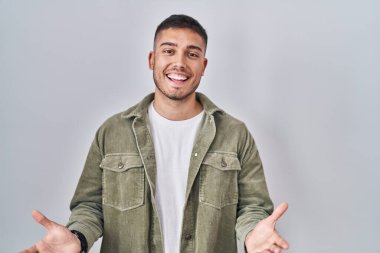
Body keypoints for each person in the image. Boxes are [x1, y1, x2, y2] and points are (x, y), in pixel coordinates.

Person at [21, 14, 289, 253]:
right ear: (152, 59)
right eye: (169, 51)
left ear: (204, 66)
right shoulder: (112, 131)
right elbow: (90, 206)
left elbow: (252, 207)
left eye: (192, 54)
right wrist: (78, 239)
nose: (179, 63)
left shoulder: (235, 133)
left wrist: (253, 235)